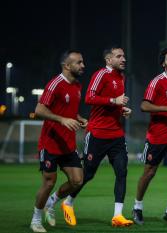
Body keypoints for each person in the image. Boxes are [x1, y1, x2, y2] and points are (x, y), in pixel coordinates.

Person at [59, 45, 133, 227]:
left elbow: (112, 104)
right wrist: (113, 101)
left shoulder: (121, 77)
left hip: (116, 134)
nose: (123, 59)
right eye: (119, 56)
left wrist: (122, 109)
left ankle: (117, 216)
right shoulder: (101, 74)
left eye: (124, 56)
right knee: (88, 174)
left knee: (122, 172)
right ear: (109, 60)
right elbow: (90, 98)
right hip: (97, 133)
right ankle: (66, 202)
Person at [30, 50, 87, 233]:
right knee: (48, 182)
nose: (82, 65)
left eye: (82, 62)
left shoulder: (77, 86)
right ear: (67, 65)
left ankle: (51, 202)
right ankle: (36, 220)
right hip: (50, 143)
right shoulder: (55, 84)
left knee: (77, 181)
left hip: (68, 144)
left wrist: (79, 118)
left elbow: (69, 111)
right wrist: (62, 120)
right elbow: (39, 110)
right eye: (79, 62)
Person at [132, 48, 167, 226]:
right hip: (157, 136)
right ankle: (137, 207)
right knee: (149, 173)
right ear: (163, 63)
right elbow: (143, 106)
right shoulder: (156, 82)